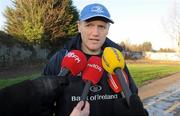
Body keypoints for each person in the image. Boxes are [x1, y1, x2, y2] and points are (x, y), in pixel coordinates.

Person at [43, 3, 148, 116]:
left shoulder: (116, 59)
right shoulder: (60, 58)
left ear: (108, 29)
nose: (95, 33)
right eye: (89, 25)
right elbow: (43, 103)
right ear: (79, 26)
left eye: (101, 26)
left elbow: (132, 96)